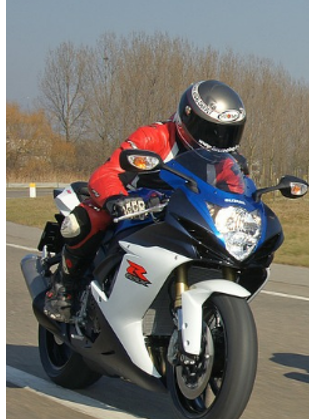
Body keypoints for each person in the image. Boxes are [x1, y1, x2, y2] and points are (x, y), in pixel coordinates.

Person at [43, 79, 247, 322]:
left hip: (184, 215)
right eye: (212, 131)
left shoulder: (224, 161)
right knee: (89, 218)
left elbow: (236, 192)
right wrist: (116, 199)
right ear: (188, 118)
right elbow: (107, 173)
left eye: (228, 134)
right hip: (134, 209)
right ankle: (64, 288)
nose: (220, 141)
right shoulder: (155, 137)